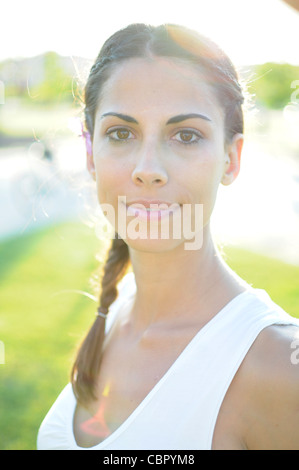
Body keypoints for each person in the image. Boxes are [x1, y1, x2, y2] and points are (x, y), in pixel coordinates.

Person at [37, 23, 299, 450]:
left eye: (186, 135)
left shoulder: (280, 366)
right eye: (121, 133)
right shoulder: (115, 315)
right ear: (90, 154)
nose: (148, 168)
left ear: (232, 159)